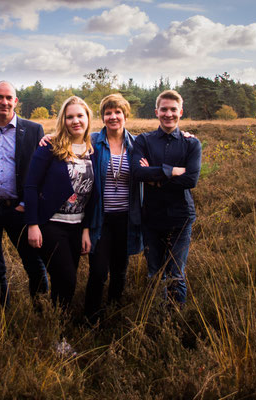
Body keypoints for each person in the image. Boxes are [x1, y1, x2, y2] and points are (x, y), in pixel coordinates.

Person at [0, 81, 48, 307]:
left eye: (8, 98)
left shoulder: (34, 130)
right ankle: (1, 317)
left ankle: (41, 311)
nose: (4, 102)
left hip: (19, 209)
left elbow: (41, 172)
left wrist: (27, 203)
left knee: (34, 264)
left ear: (16, 101)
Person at [24, 96, 96, 310]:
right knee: (67, 279)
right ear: (63, 120)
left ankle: (55, 325)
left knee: (65, 280)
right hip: (51, 225)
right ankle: (59, 336)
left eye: (80, 116)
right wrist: (33, 224)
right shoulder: (49, 147)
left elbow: (94, 195)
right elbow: (30, 186)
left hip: (77, 227)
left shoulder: (94, 149)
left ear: (87, 118)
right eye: (70, 117)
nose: (75, 121)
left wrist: (86, 229)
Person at [130, 89, 201, 306]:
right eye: (164, 109)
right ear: (156, 112)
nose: (168, 114)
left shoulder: (191, 144)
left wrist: (156, 176)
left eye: (173, 109)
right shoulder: (144, 140)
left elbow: (191, 180)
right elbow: (137, 172)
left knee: (176, 274)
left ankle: (177, 322)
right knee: (155, 273)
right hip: (152, 218)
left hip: (181, 218)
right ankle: (157, 320)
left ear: (180, 111)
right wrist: (172, 171)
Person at [83, 93, 143, 324]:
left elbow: (162, 146)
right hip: (101, 218)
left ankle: (114, 312)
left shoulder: (138, 145)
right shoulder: (93, 142)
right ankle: (91, 318)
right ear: (103, 117)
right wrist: (45, 136)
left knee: (120, 270)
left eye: (118, 112)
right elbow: (68, 141)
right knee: (98, 271)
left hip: (127, 219)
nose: (113, 116)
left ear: (125, 116)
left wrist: (185, 136)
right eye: (108, 113)